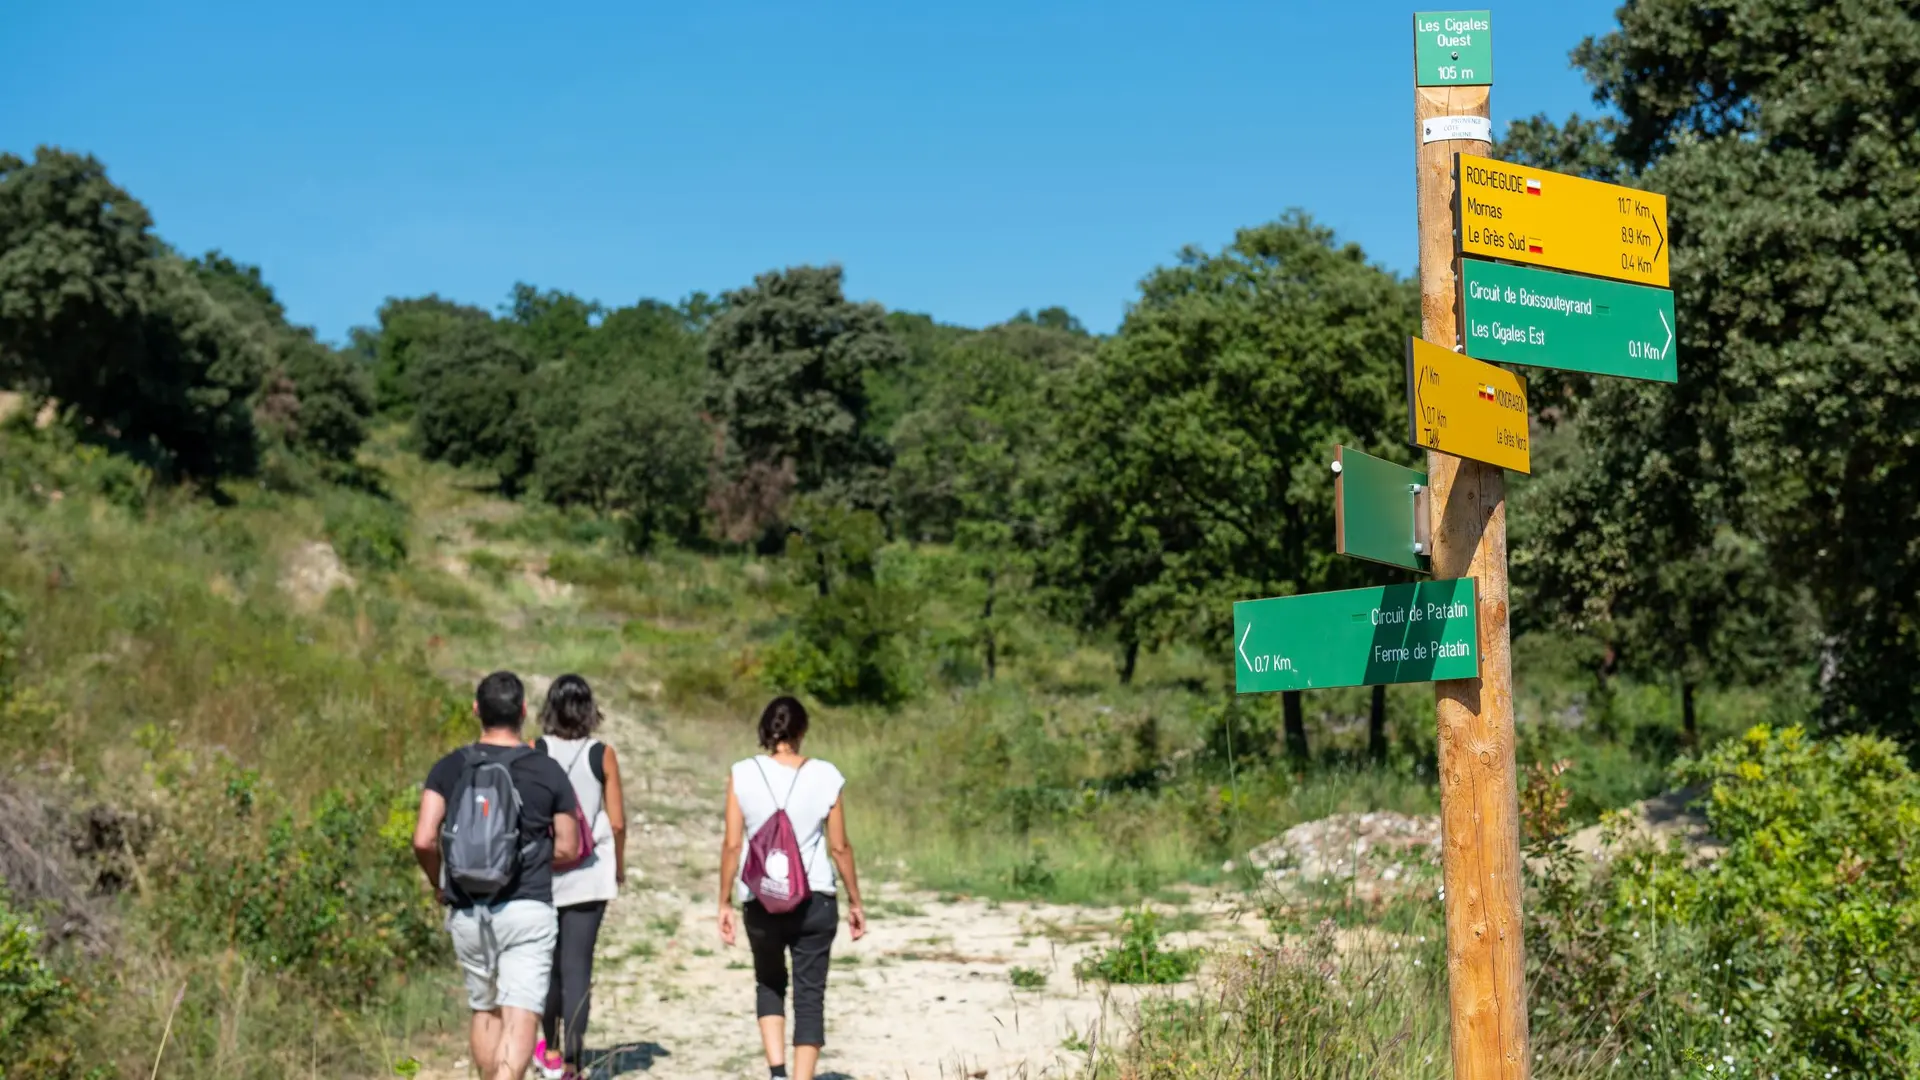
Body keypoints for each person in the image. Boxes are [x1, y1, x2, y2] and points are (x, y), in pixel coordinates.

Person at [412, 671, 580, 1080]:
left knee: (485, 1009)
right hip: (527, 907)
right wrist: (532, 861)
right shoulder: (548, 770)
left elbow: (423, 839)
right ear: (524, 712)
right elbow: (568, 846)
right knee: (520, 1012)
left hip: (468, 909)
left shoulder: (449, 767)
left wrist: (440, 883)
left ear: (476, 711)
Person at [716, 696, 866, 1080]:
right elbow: (839, 847)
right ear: (802, 731)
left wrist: (724, 903)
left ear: (766, 730)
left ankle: (777, 1073)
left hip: (760, 899)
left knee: (768, 982)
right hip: (814, 899)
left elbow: (733, 844)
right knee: (810, 994)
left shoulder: (742, 773)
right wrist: (855, 901)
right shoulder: (827, 775)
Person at [530, 674, 628, 1080]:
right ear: (589, 709)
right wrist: (618, 865)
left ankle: (549, 1051)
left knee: (547, 968)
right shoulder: (602, 754)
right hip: (590, 875)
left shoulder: (536, 751)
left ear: (550, 707)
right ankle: (573, 1062)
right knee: (578, 969)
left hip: (545, 874)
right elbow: (618, 822)